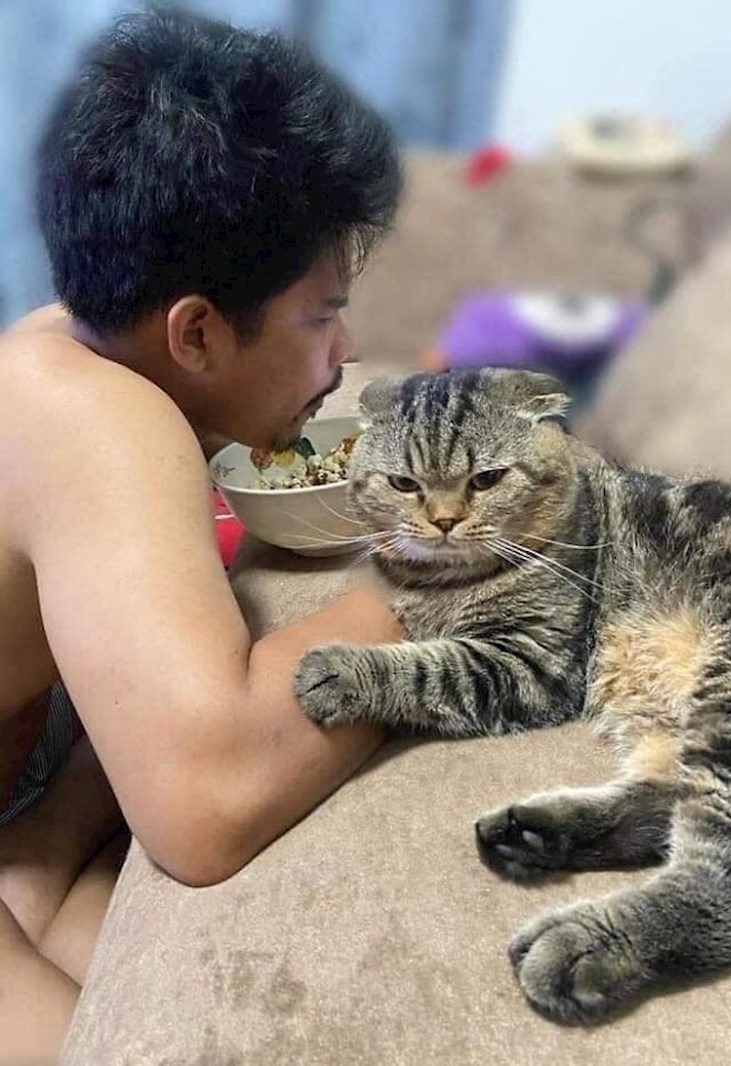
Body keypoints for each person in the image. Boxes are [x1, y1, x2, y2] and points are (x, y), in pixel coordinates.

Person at [0, 9, 402, 1059]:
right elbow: (208, 806)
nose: (346, 351)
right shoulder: (101, 422)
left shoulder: (67, 349)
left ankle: (36, 863)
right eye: (320, 316)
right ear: (196, 331)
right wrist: (424, 590)